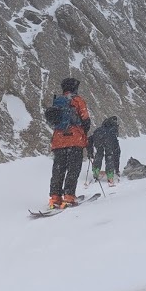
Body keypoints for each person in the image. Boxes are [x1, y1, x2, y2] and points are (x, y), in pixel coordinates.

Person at [48, 77, 90, 209]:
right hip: (74, 140)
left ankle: (55, 198)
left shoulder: (57, 102)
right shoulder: (77, 100)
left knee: (58, 169)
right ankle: (69, 197)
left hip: (58, 141)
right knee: (73, 169)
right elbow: (86, 120)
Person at [86, 116, 121, 187]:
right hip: (108, 139)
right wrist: (116, 170)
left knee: (99, 153)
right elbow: (116, 153)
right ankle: (110, 175)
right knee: (109, 156)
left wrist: (90, 152)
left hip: (98, 137)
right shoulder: (112, 131)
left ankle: (96, 172)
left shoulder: (99, 129)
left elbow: (90, 140)